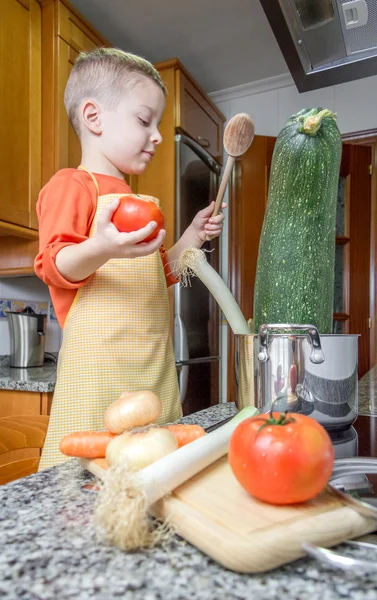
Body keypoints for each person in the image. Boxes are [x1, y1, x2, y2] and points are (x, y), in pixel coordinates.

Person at [35, 48, 226, 470]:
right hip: (98, 387)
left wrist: (192, 235)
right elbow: (54, 266)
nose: (157, 135)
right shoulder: (73, 186)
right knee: (87, 485)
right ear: (94, 117)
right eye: (145, 121)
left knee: (159, 474)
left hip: (153, 376)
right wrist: (102, 246)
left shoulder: (139, 202)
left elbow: (158, 275)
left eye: (157, 123)